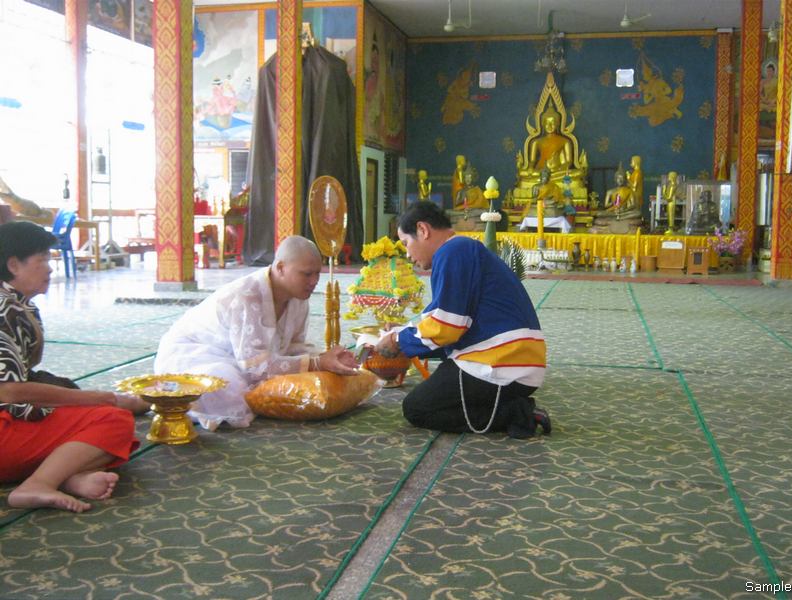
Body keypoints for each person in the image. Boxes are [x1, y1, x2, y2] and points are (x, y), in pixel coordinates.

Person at [0, 221, 147, 513]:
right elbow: (10, 391)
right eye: (42, 259)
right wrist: (99, 398)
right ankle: (38, 483)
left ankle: (68, 478)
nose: (50, 268)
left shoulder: (16, 303)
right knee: (113, 421)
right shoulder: (5, 309)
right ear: (14, 265)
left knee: (99, 423)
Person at [374, 202, 550, 439]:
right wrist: (404, 332)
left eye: (406, 243)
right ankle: (511, 406)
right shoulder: (461, 249)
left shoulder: (452, 251)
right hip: (518, 360)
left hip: (501, 362)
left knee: (417, 408)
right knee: (437, 393)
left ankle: (519, 414)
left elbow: (447, 327)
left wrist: (398, 341)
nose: (407, 254)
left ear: (423, 230)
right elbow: (448, 322)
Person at [154, 235, 359, 431]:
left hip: (243, 360)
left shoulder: (298, 296)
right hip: (194, 354)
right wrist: (318, 363)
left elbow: (294, 347)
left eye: (317, 273)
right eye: (306, 274)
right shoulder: (247, 296)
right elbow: (256, 369)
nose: (314, 281)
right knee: (230, 388)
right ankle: (157, 398)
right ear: (280, 268)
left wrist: (328, 359)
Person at [528, 107, 573, 177]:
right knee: (523, 173)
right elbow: (532, 161)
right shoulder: (536, 142)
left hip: (558, 172)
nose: (550, 126)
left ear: (557, 124)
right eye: (547, 123)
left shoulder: (565, 141)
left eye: (553, 123)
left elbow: (568, 161)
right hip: (540, 172)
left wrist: (561, 169)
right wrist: (530, 168)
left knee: (576, 173)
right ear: (543, 124)